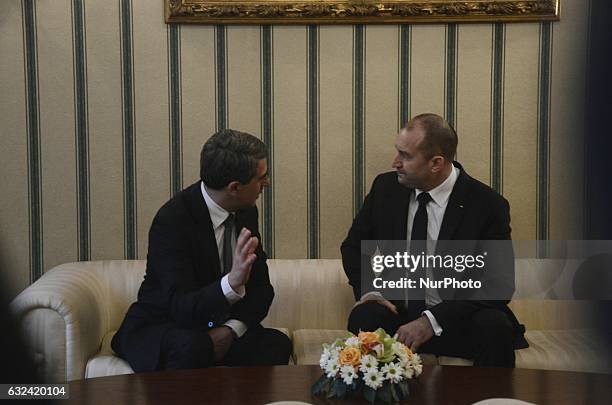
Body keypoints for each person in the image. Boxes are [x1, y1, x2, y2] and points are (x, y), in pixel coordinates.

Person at [341, 113, 527, 368]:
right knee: (365, 315)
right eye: (398, 152)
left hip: (458, 319)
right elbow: (353, 246)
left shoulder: (486, 204)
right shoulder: (386, 189)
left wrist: (431, 321)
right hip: (400, 318)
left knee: (494, 326)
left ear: (436, 163)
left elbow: (499, 284)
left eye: (405, 156)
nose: (395, 162)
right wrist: (371, 292)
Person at [112, 129, 291, 371]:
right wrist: (232, 283)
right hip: (166, 323)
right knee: (193, 347)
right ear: (234, 187)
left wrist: (230, 330)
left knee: (276, 344)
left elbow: (262, 290)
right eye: (261, 177)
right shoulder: (173, 220)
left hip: (217, 324)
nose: (266, 183)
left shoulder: (246, 211)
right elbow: (180, 306)